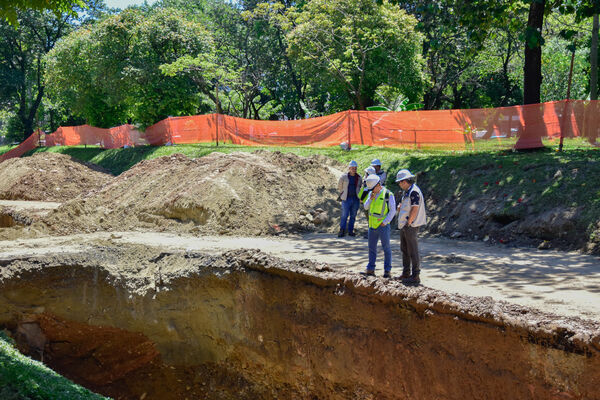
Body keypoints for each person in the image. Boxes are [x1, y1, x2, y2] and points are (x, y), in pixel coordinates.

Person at [395, 169, 427, 285]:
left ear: (404, 181)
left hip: (410, 225)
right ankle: (406, 273)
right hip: (406, 225)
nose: (399, 184)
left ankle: (415, 275)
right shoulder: (408, 191)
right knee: (405, 249)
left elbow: (415, 208)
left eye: (400, 182)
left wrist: (409, 222)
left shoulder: (413, 192)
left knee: (412, 250)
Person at [362, 174, 396, 278]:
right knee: (371, 248)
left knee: (386, 248)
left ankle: (387, 270)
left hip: (383, 226)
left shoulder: (388, 194)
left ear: (378, 185)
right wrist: (370, 199)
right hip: (372, 226)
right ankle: (371, 268)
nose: (372, 191)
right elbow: (366, 207)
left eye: (373, 189)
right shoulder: (371, 193)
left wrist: (385, 222)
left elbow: (392, 211)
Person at [337, 160, 361, 237]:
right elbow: (339, 186)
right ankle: (342, 230)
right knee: (344, 215)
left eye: (355, 168)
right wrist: (343, 193)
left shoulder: (359, 177)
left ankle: (351, 230)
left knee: (353, 215)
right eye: (352, 168)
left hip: (355, 199)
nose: (354, 170)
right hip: (346, 199)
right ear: (349, 168)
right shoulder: (343, 177)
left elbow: (360, 187)